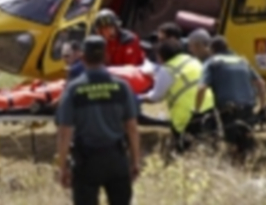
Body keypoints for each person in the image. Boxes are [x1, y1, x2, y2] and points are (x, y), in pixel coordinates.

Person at [56, 35, 141, 205]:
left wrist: (62, 166)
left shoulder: (74, 89)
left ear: (83, 58)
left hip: (86, 161)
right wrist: (135, 161)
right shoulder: (121, 86)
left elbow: (65, 131)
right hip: (116, 158)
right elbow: (131, 127)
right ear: (106, 56)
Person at [194, 35, 266, 162]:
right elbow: (261, 84)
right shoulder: (242, 61)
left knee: (229, 143)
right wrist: (262, 108)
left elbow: (201, 88)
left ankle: (233, 169)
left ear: (211, 49)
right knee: (245, 141)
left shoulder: (212, 62)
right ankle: (248, 167)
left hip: (227, 109)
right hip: (248, 107)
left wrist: (197, 110)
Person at [140, 39, 215, 153]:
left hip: (187, 114)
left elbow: (156, 97)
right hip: (210, 105)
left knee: (185, 149)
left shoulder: (167, 69)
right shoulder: (192, 60)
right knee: (209, 144)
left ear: (162, 56)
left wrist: (138, 97)